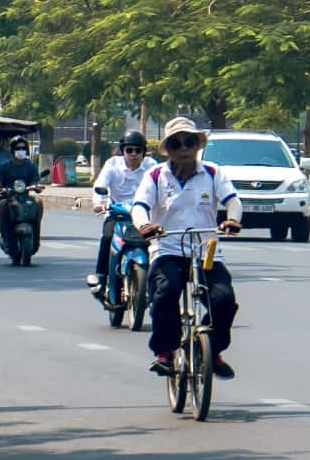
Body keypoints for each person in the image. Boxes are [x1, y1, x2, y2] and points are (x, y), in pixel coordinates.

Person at [131, 117, 242, 379]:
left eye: (189, 142)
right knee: (166, 292)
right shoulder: (155, 175)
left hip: (206, 250)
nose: (183, 149)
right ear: (168, 148)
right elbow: (140, 207)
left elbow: (232, 200)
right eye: (176, 143)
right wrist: (145, 226)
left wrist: (233, 219)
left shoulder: (213, 173)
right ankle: (165, 353)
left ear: (197, 146)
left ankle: (211, 349)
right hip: (167, 248)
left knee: (223, 300)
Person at [87, 131, 157, 295]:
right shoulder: (112, 164)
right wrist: (98, 202)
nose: (133, 154)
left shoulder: (151, 166)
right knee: (107, 237)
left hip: (145, 216)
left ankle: (157, 279)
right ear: (123, 150)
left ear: (143, 152)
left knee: (157, 240)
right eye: (129, 150)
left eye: (138, 150)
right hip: (117, 214)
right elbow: (100, 184)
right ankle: (102, 277)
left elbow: (162, 185)